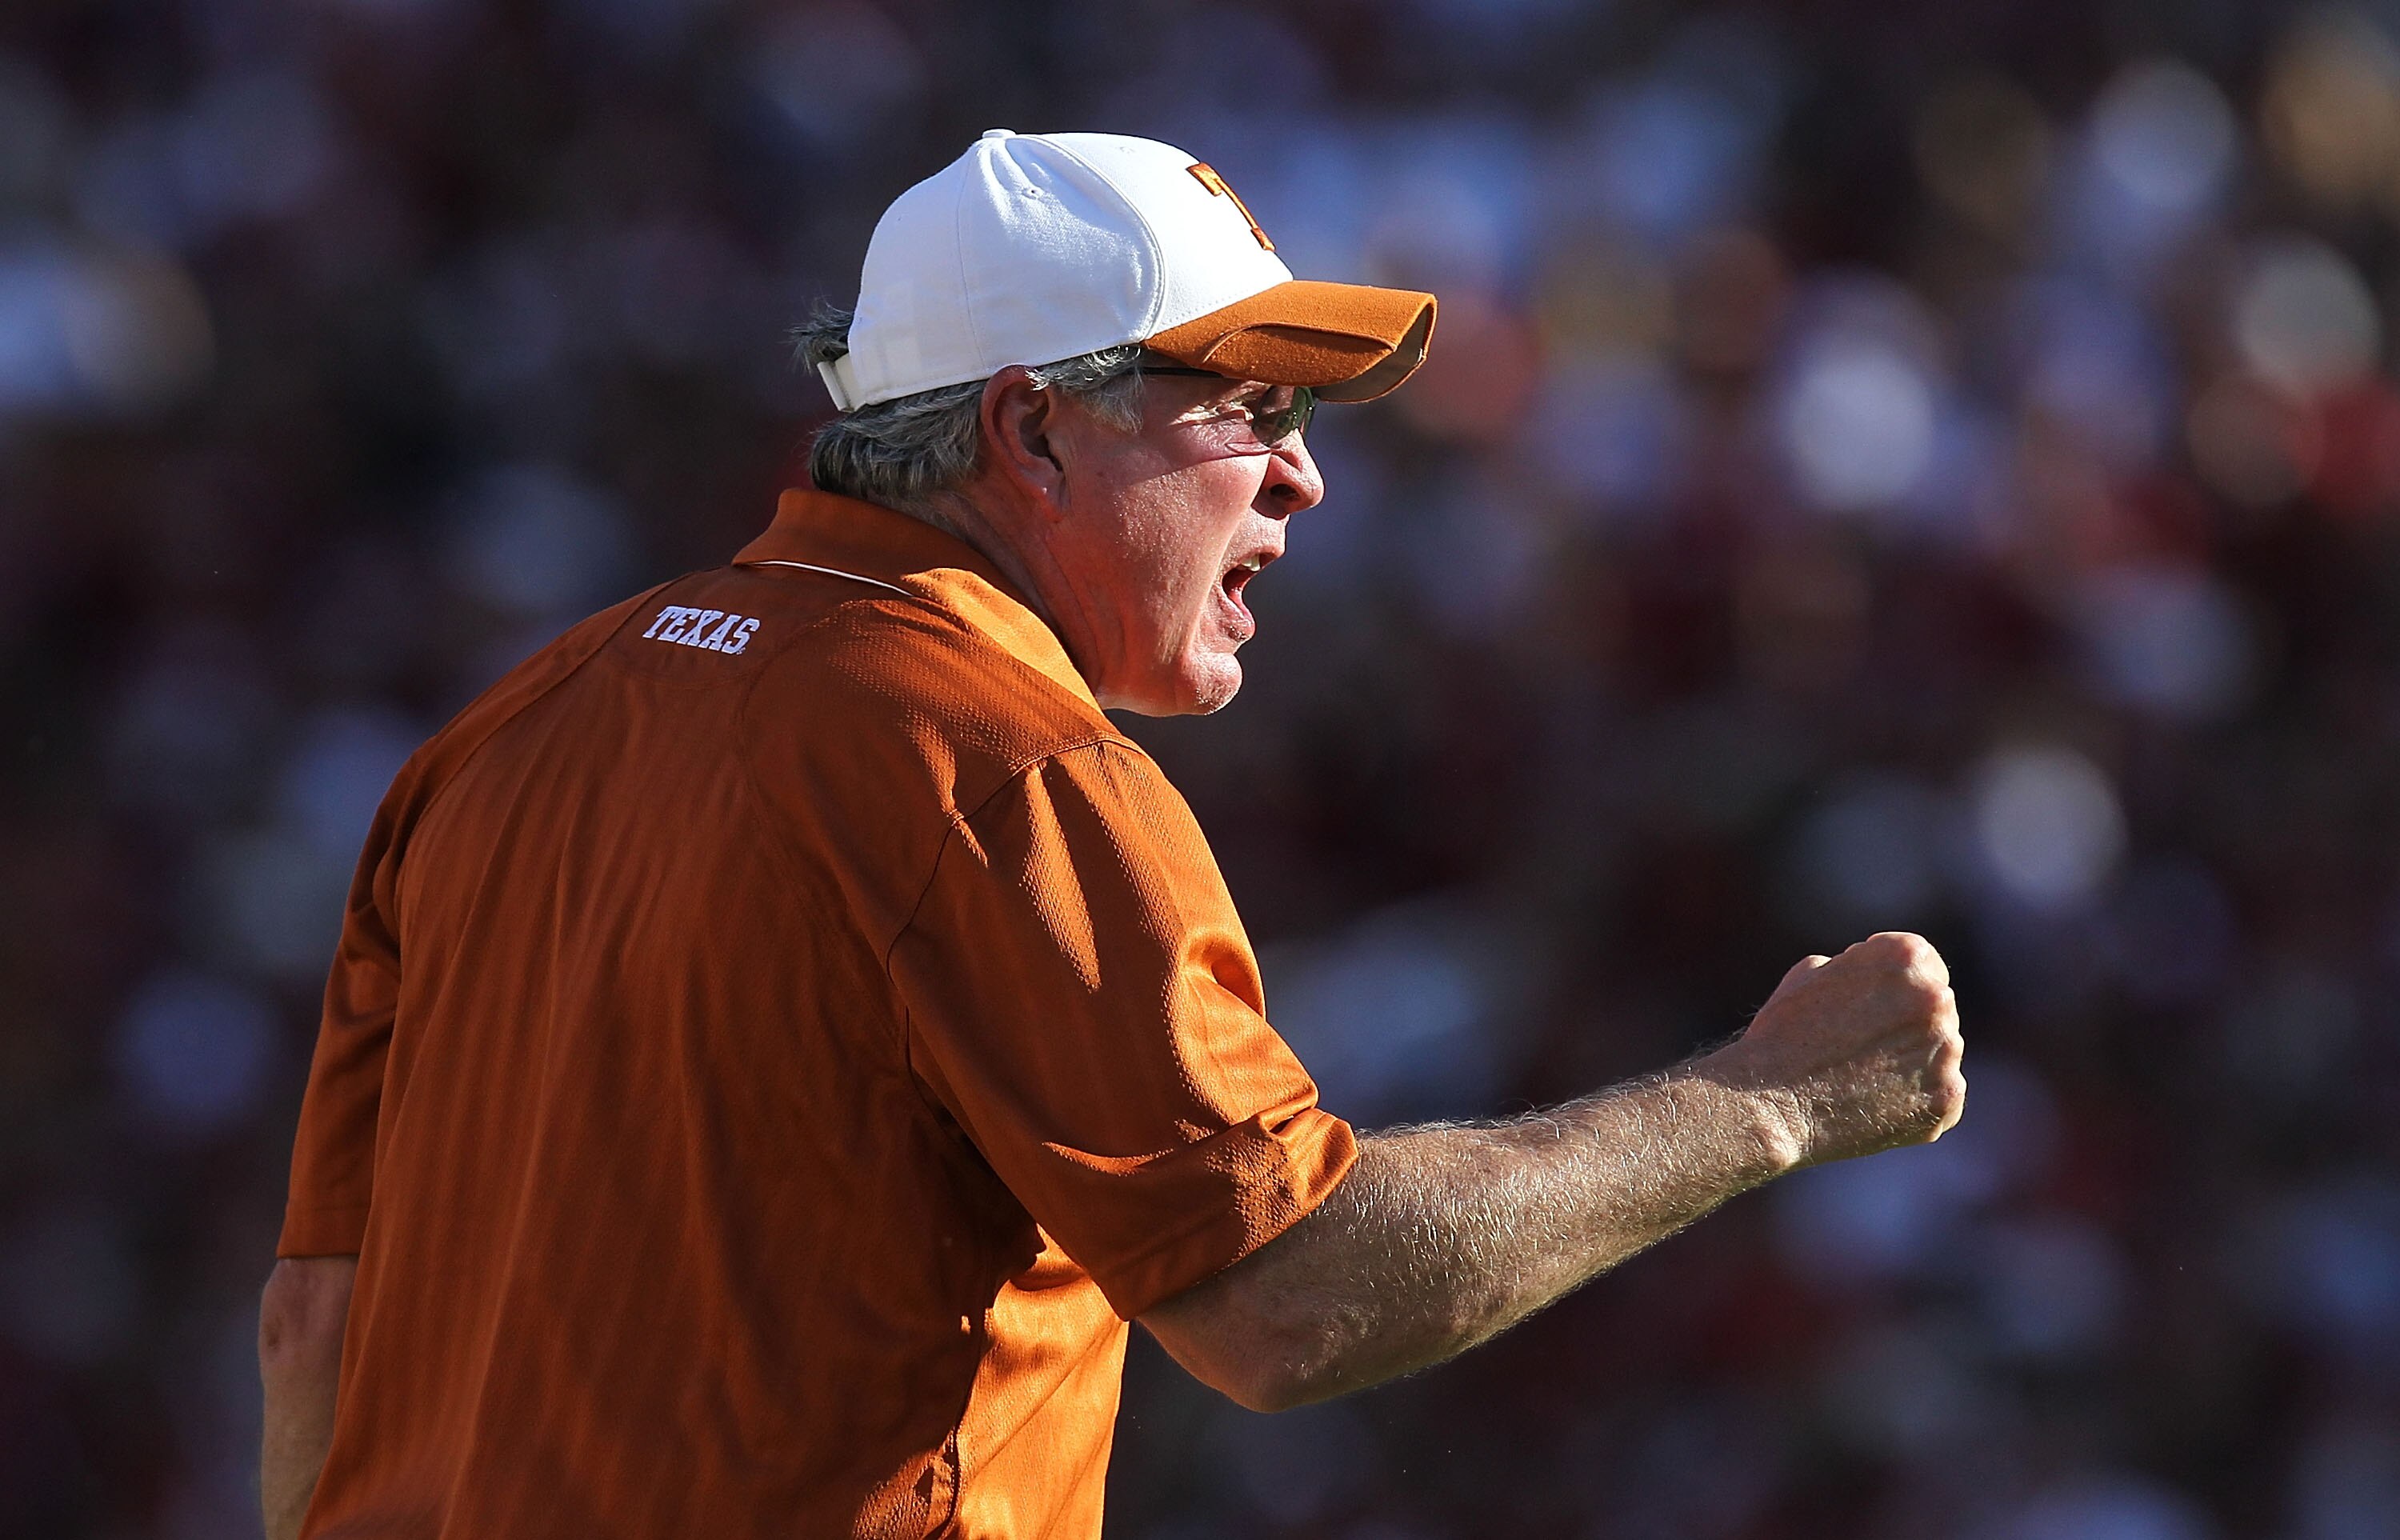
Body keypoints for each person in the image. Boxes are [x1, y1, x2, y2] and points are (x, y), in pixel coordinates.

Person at [258, 130, 1965, 1540]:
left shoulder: (511, 728)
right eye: (1250, 405)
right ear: (1027, 430)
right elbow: (1288, 1298)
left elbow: (312, 1336)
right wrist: (1768, 1102)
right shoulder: (992, 762)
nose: (1301, 479)